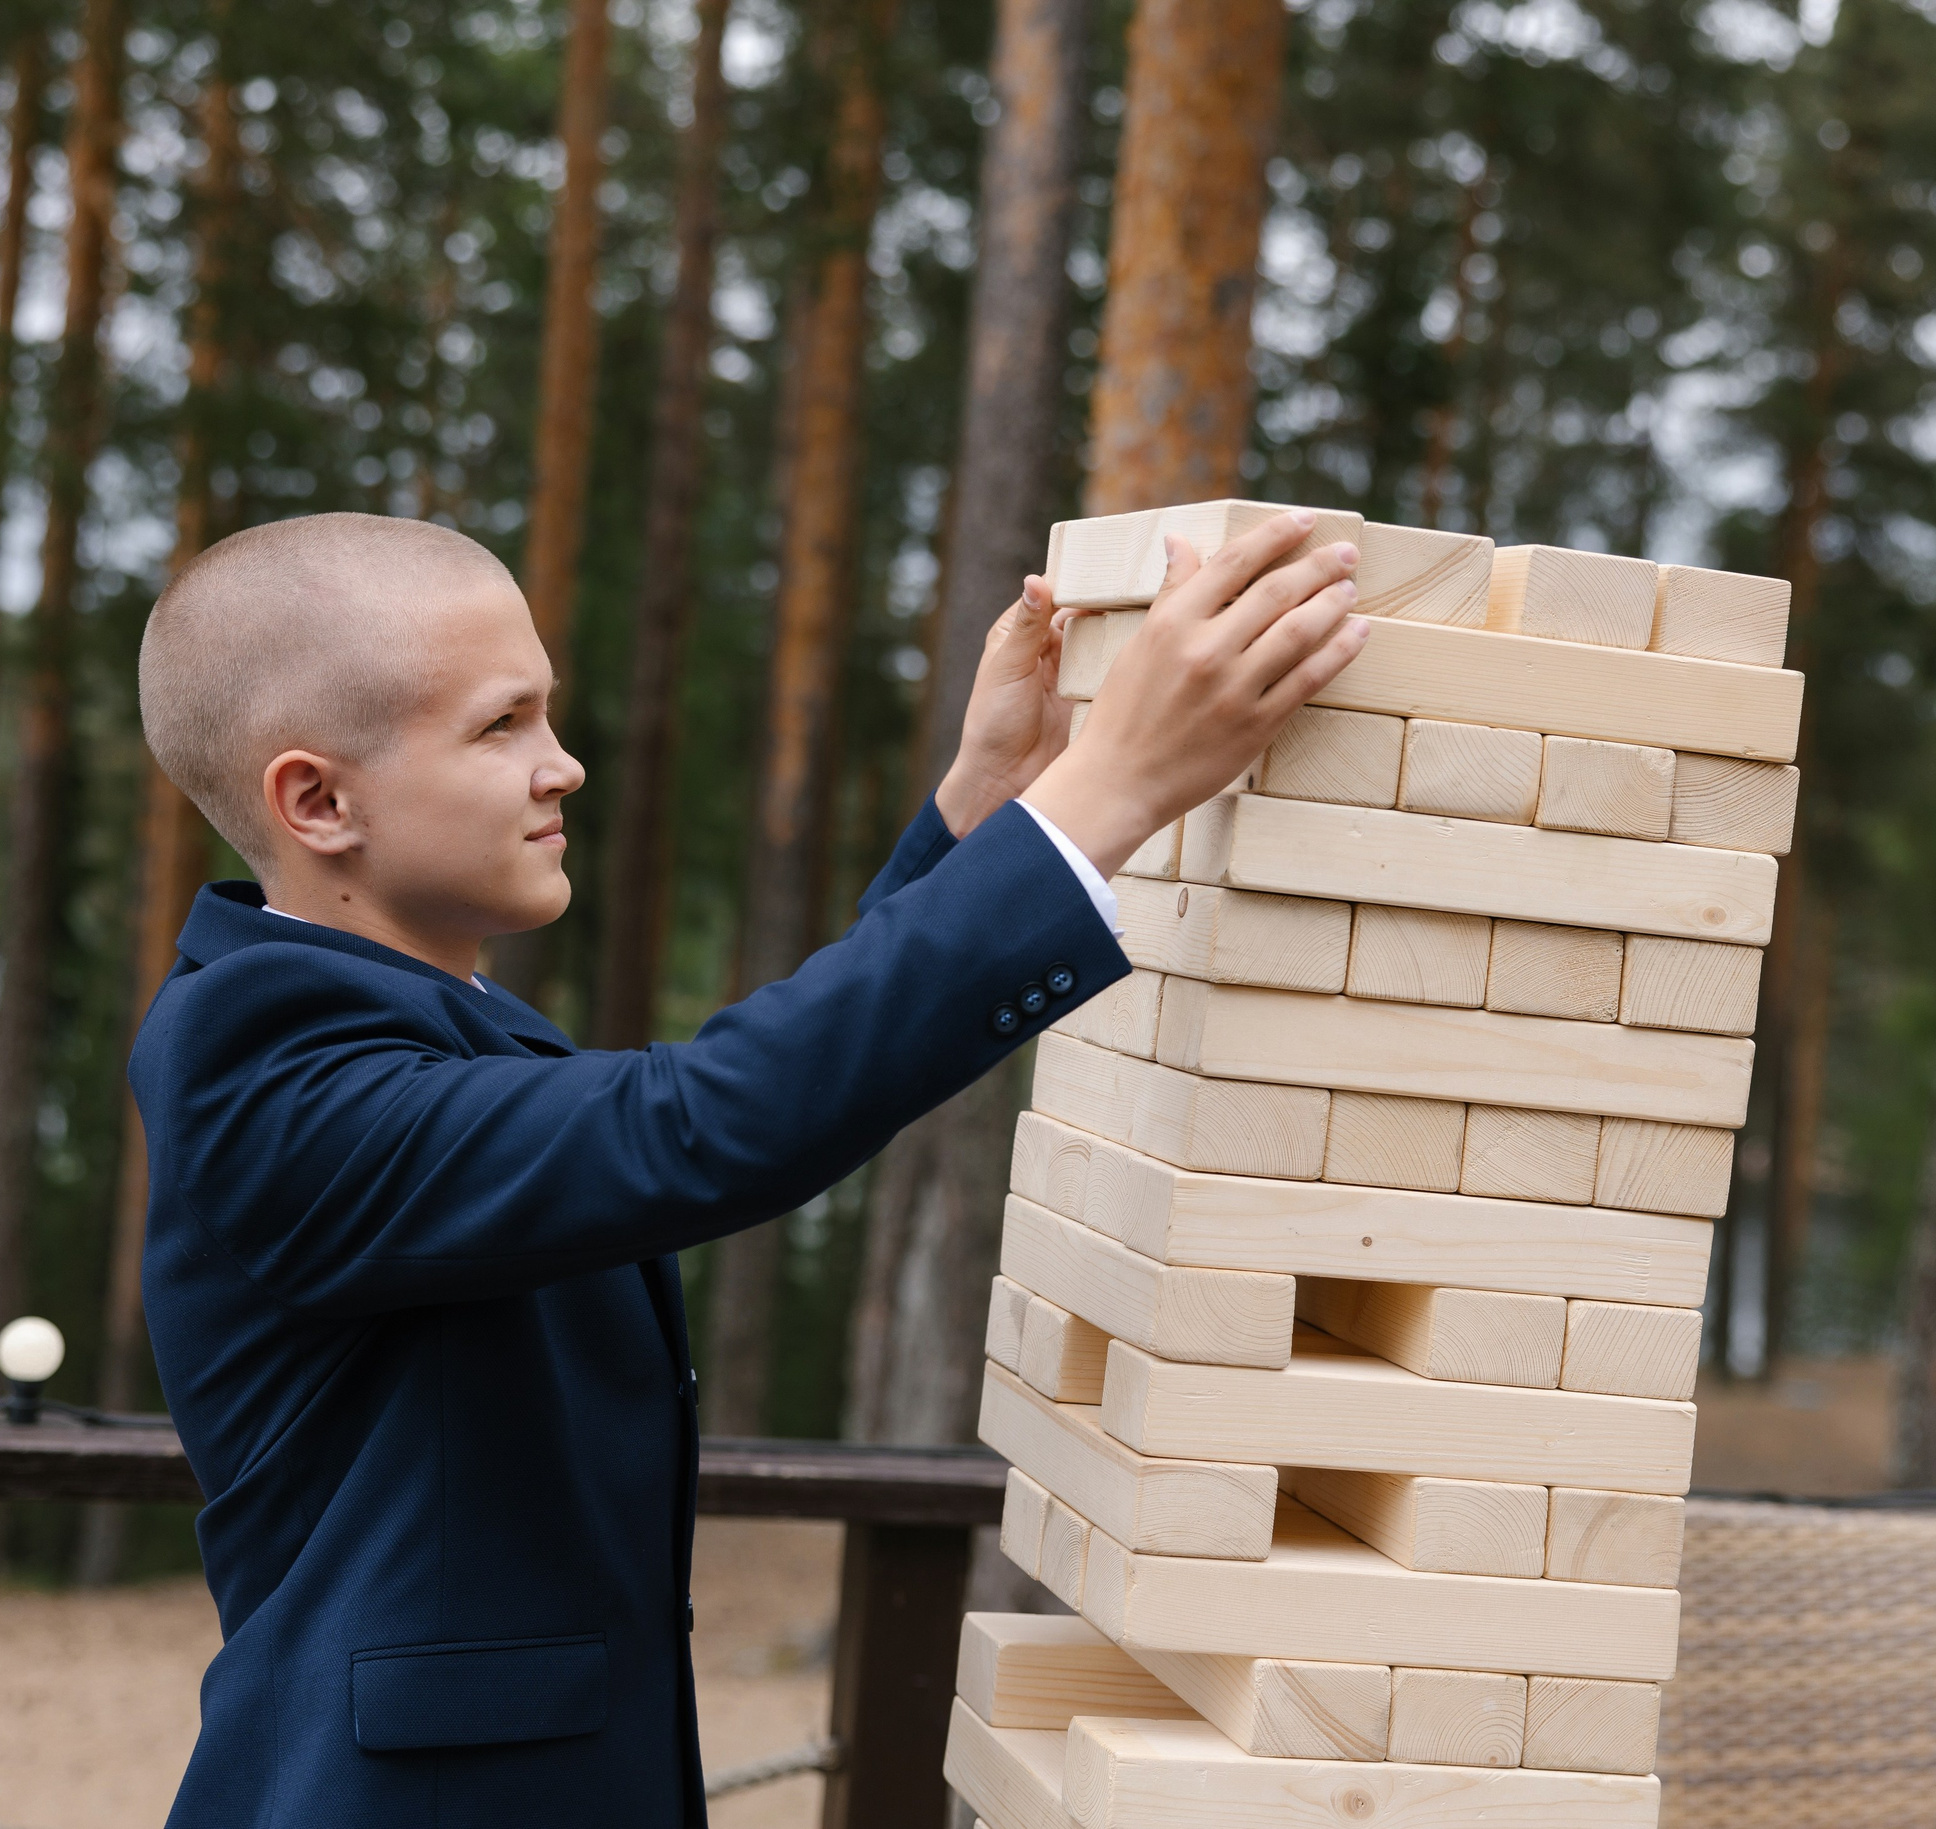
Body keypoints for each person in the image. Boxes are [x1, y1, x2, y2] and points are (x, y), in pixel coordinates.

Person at [128, 505, 1365, 1825]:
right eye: (500, 726)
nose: (565, 766)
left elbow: (715, 1109)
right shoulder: (255, 1056)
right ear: (316, 799)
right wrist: (1100, 795)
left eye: (547, 714)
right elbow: (705, 1125)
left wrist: (978, 819)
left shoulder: (427, 1022)